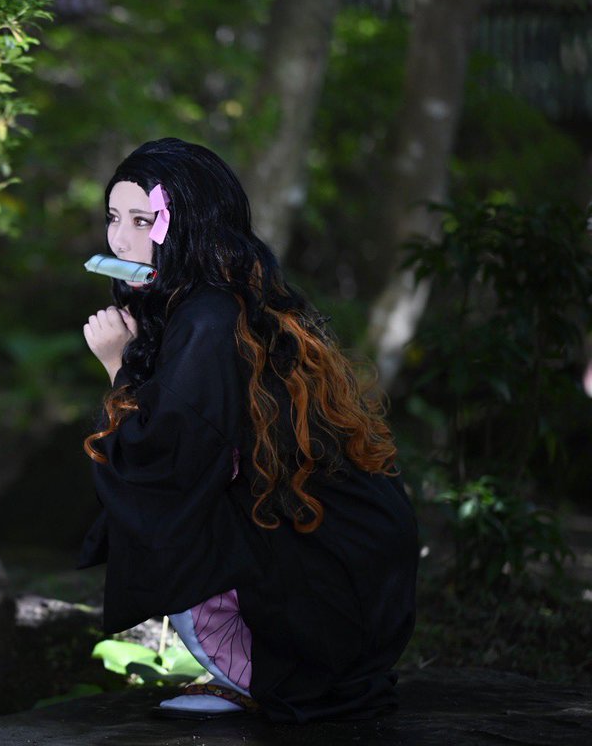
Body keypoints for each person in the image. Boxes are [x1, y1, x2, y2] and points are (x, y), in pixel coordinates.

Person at [79, 138, 417, 724]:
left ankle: (260, 675)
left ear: (190, 226)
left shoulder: (209, 316)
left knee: (166, 509)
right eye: (113, 218)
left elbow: (164, 459)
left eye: (142, 220)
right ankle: (251, 675)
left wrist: (117, 366)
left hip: (324, 571)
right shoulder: (220, 300)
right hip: (335, 558)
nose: (120, 241)